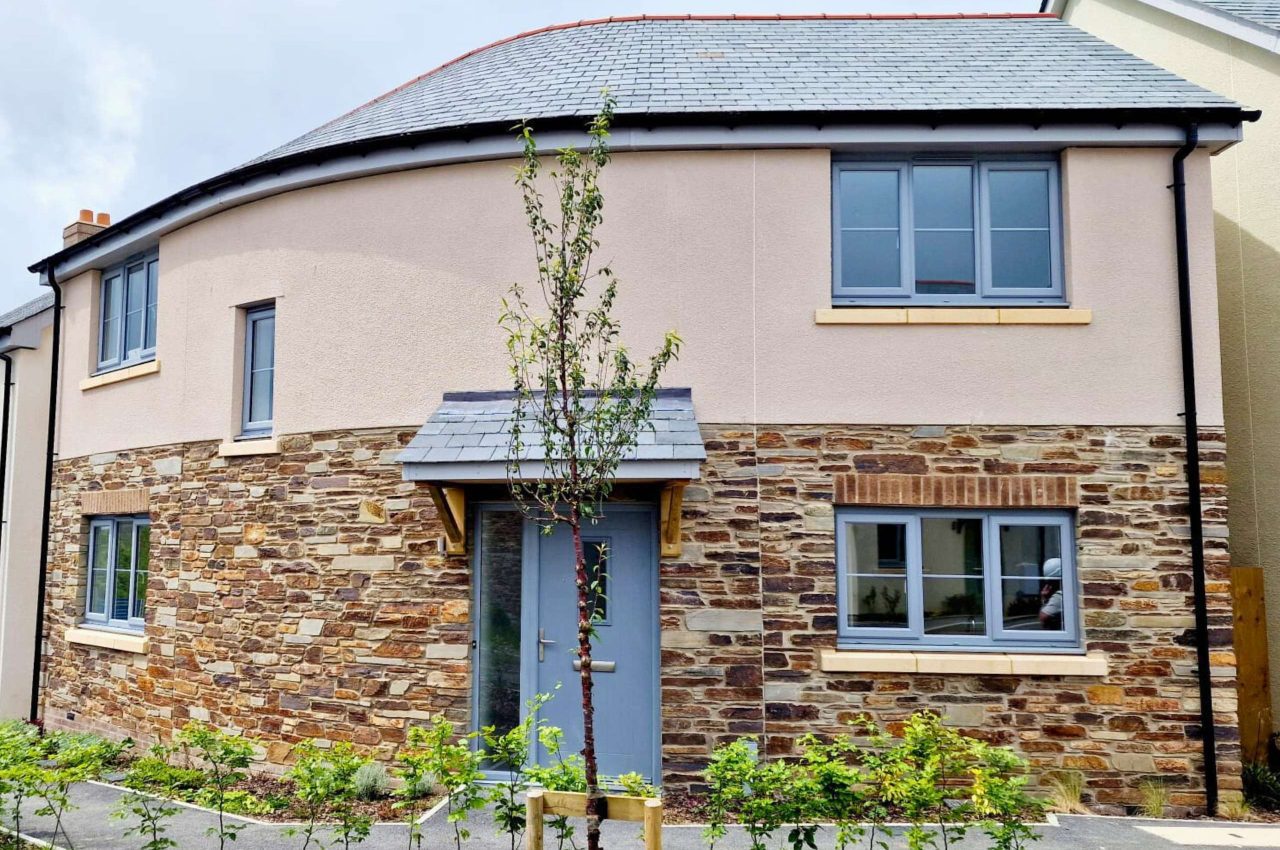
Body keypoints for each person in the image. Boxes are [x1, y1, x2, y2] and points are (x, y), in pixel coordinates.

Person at [1039, 557, 1064, 631]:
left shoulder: (1059, 596)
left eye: (1049, 582)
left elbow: (1043, 617)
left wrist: (1044, 599)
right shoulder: (1068, 591)